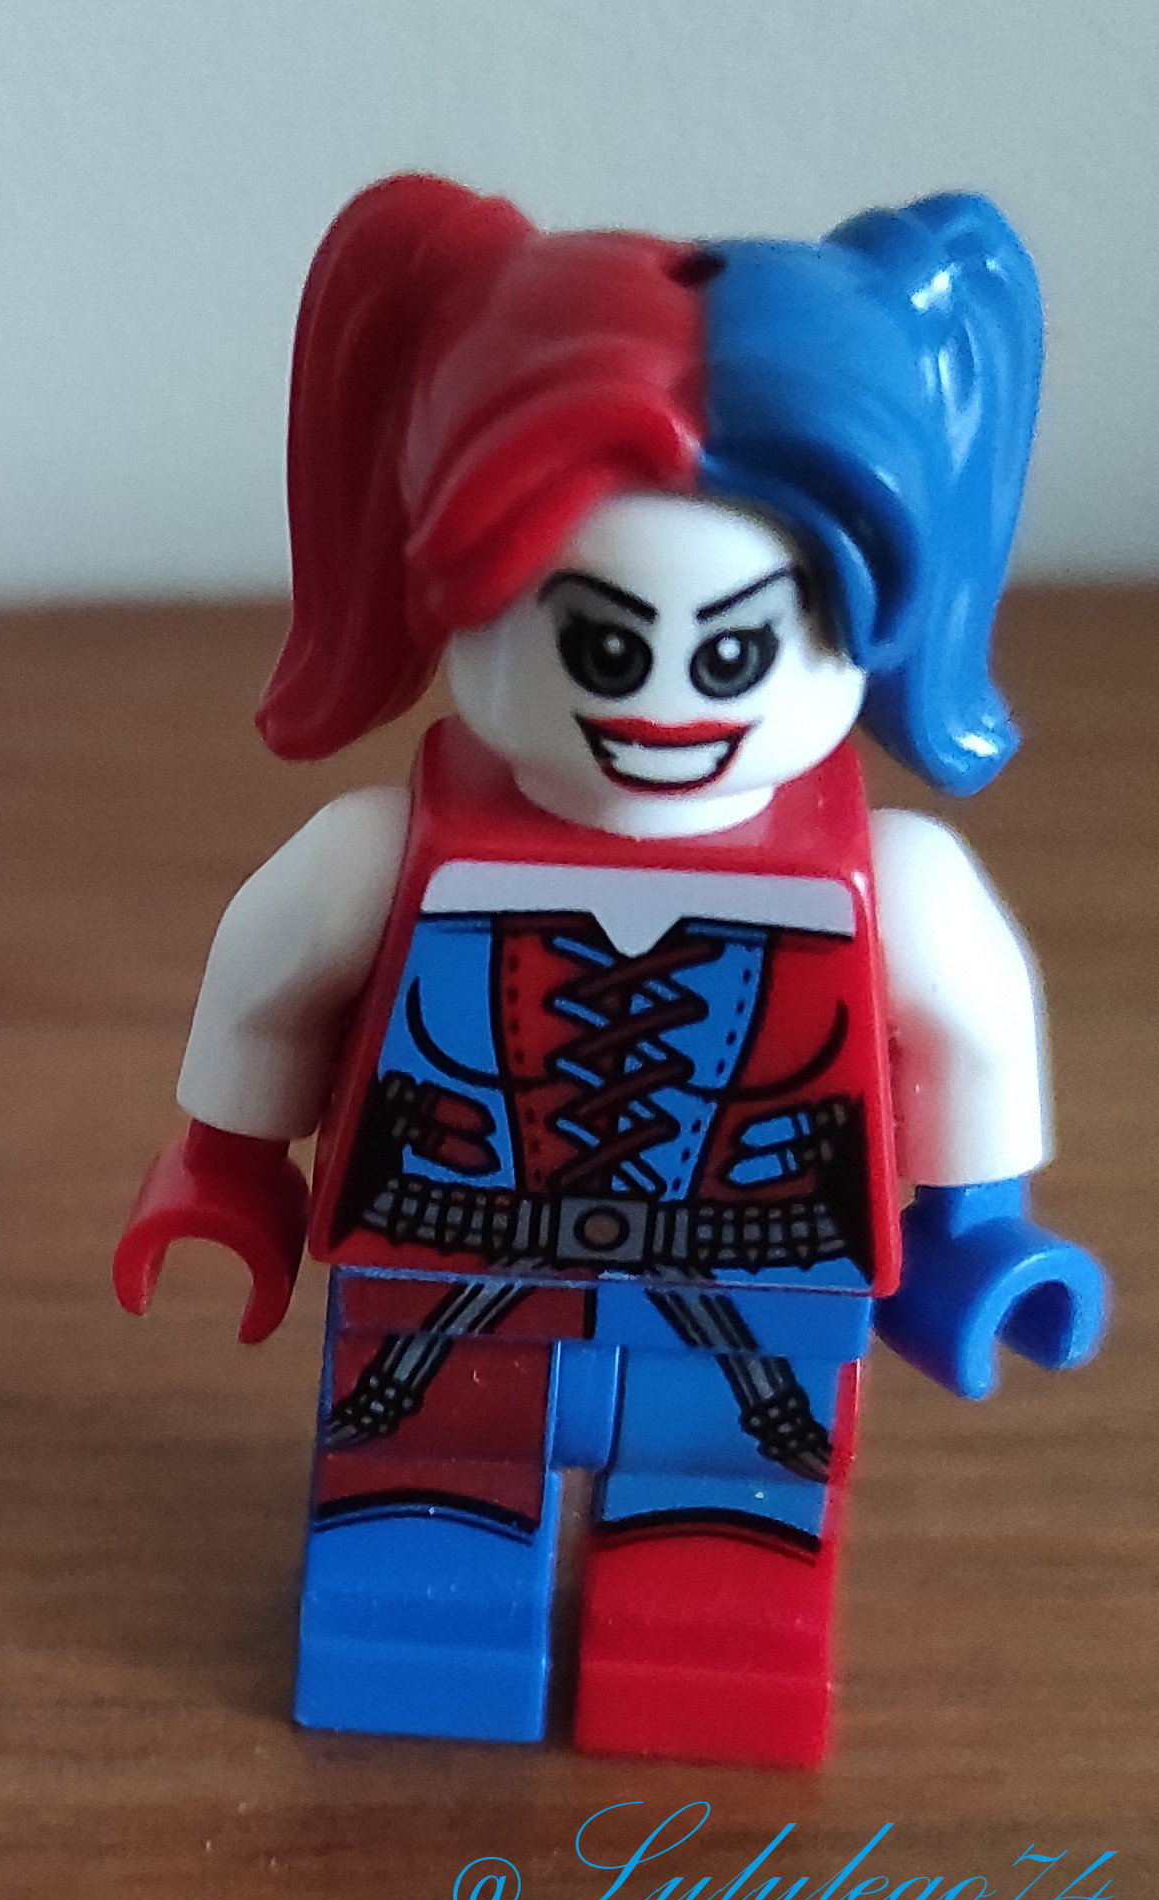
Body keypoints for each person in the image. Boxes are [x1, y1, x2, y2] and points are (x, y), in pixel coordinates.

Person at [115, 175, 1106, 1766]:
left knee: (726, 1531)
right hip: (446, 1273)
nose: (662, 702)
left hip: (758, 1290)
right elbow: (269, 984)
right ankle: (419, 1639)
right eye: (596, 641)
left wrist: (977, 1231)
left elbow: (972, 1037)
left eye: (735, 650)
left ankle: (706, 1660)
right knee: (421, 1519)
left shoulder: (897, 885)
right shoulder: (383, 855)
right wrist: (222, 1170)